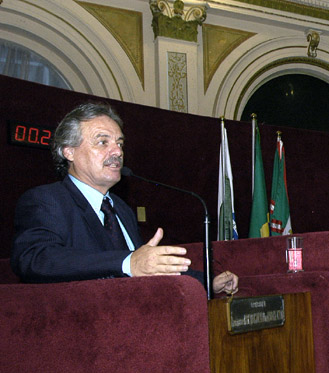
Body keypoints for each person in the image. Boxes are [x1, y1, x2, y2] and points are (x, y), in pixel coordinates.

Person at [11, 101, 238, 295]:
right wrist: (127, 262)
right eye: (103, 142)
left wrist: (207, 282)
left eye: (119, 143)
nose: (117, 151)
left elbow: (145, 267)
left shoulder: (120, 209)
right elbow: (35, 259)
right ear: (68, 151)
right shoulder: (47, 200)